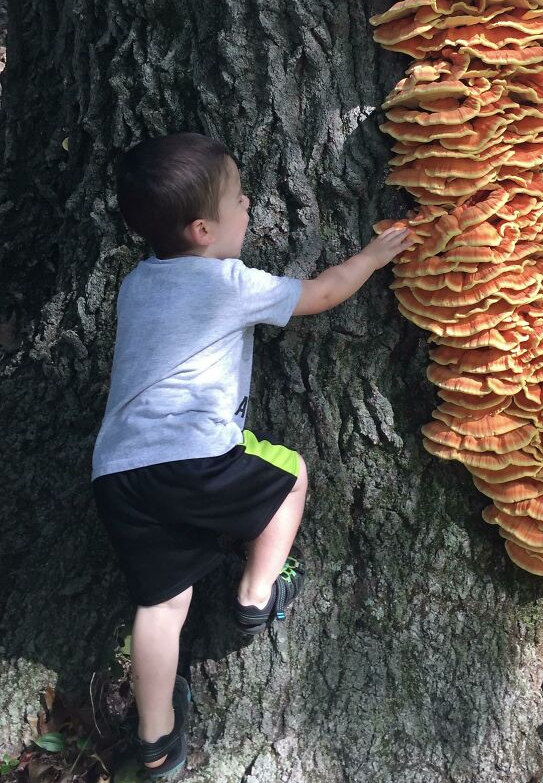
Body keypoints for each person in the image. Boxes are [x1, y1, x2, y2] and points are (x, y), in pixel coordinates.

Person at [91, 132, 414, 778]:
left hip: (118, 470)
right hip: (196, 457)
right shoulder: (228, 282)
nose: (252, 205)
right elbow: (322, 293)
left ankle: (156, 744)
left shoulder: (136, 284)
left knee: (161, 604)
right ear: (205, 228)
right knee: (290, 473)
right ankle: (255, 591)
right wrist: (374, 257)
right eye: (242, 200)